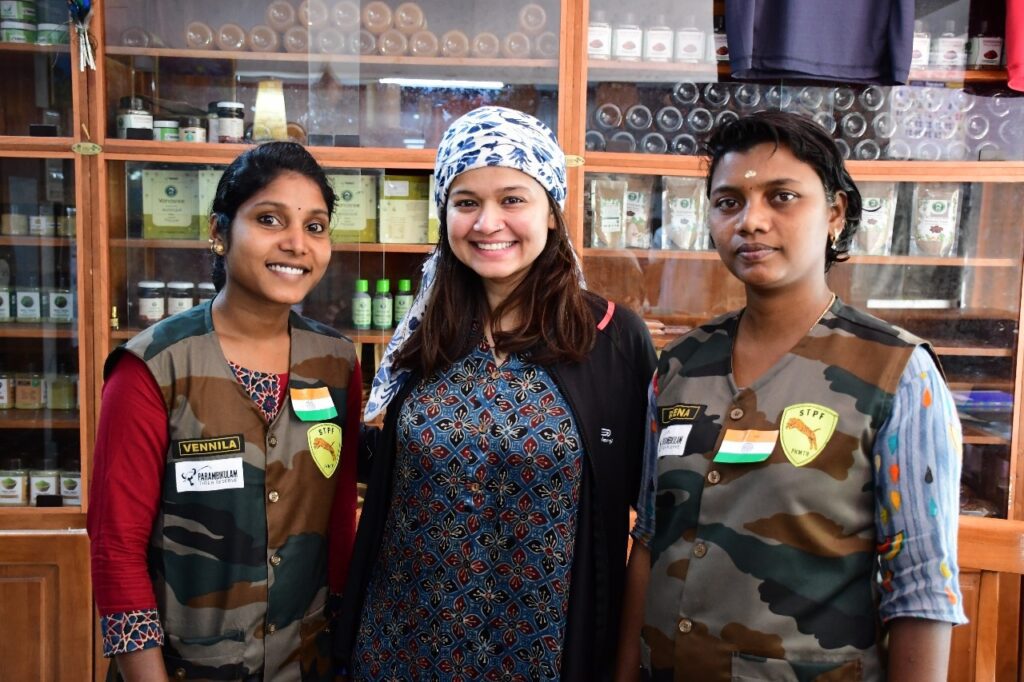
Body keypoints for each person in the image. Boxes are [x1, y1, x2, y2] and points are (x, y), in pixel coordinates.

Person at [617, 111, 967, 681]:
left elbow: (921, 587)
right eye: (728, 202)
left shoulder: (896, 371)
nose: (751, 221)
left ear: (835, 213)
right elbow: (649, 541)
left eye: (781, 197)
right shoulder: (680, 365)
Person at [334, 106, 657, 680]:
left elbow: (647, 512)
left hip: (548, 650)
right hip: (403, 647)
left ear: (551, 214)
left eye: (512, 199)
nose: (487, 223)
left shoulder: (611, 337)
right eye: (466, 203)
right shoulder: (425, 332)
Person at [88, 142, 362, 681]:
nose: (296, 243)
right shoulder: (152, 366)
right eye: (269, 219)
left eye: (316, 226)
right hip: (183, 668)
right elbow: (116, 548)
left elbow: (337, 521)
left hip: (304, 663)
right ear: (218, 232)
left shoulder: (335, 362)